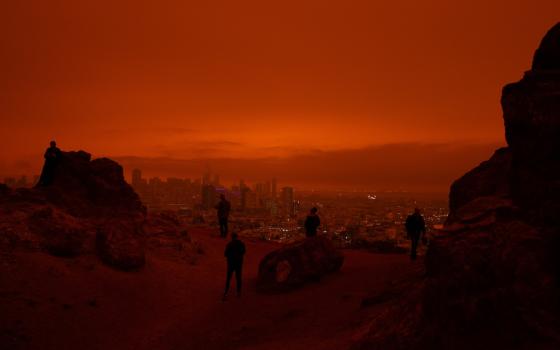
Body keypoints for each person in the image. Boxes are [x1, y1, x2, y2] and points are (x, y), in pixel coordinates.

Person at [223, 233, 245, 300]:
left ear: (232, 237)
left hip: (231, 263)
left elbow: (225, 254)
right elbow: (243, 252)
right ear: (237, 237)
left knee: (228, 278)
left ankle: (226, 292)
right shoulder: (241, 244)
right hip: (238, 263)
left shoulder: (229, 244)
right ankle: (238, 292)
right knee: (238, 277)